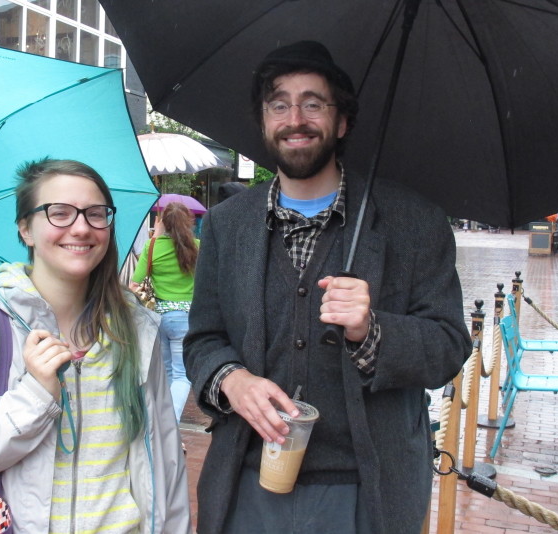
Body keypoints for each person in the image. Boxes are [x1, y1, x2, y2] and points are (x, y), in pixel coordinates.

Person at [184, 41, 472, 534]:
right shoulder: (227, 225)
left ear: (341, 123)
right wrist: (233, 379)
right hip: (247, 485)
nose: (295, 118)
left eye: (313, 103)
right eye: (279, 104)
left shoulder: (414, 222)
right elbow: (202, 340)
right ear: (264, 121)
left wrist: (373, 331)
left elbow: (449, 345)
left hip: (367, 492)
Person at [0, 158, 191, 533]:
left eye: (96, 213)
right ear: (25, 228)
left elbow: (165, 458)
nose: (81, 227)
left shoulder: (136, 328)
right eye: (59, 213)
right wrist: (33, 397)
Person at [131, 201, 200, 421]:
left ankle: (165, 427)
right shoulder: (199, 246)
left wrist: (156, 234)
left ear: (162, 222)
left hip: (159, 317)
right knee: (183, 375)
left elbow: (134, 283)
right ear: (189, 221)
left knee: (169, 372)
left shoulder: (153, 247)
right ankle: (170, 422)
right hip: (188, 319)